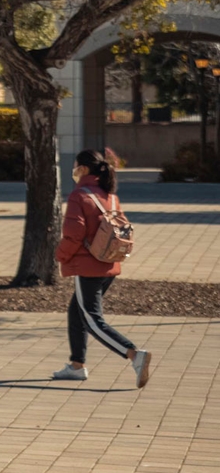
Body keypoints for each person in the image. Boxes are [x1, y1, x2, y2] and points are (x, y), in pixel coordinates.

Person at [52, 148, 153, 387]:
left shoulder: (79, 195)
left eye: (75, 166)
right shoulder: (111, 196)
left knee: (92, 320)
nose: (73, 171)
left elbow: (74, 234)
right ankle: (77, 366)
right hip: (109, 263)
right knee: (76, 312)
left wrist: (60, 255)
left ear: (83, 169)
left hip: (88, 266)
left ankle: (134, 355)